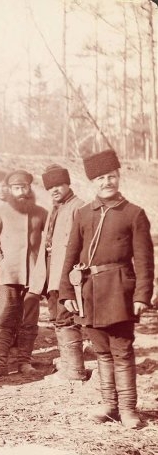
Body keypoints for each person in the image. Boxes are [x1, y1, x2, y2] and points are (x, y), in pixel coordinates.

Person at [59, 149, 153, 429]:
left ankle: (128, 410)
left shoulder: (134, 214)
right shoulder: (83, 214)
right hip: (88, 293)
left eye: (111, 176)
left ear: (119, 177)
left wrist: (142, 296)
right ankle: (109, 406)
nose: (107, 182)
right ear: (93, 182)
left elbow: (145, 261)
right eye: (101, 178)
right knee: (101, 352)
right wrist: (66, 293)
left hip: (120, 292)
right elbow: (70, 256)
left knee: (122, 351)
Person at [0, 170, 47, 378]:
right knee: (5, 320)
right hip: (9, 276)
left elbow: (49, 242)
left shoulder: (41, 213)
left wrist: (43, 267)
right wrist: (0, 260)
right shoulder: (1, 212)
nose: (21, 192)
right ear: (10, 190)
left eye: (24, 187)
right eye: (16, 188)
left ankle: (24, 362)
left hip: (33, 277)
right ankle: (0, 364)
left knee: (29, 322)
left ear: (29, 188)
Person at [28, 164, 86, 380]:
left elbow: (81, 244)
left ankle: (76, 370)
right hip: (52, 271)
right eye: (50, 187)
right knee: (56, 316)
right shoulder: (55, 208)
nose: (54, 190)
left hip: (67, 272)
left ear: (67, 184)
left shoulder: (78, 207)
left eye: (58, 185)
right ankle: (68, 366)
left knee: (65, 316)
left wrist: (74, 276)